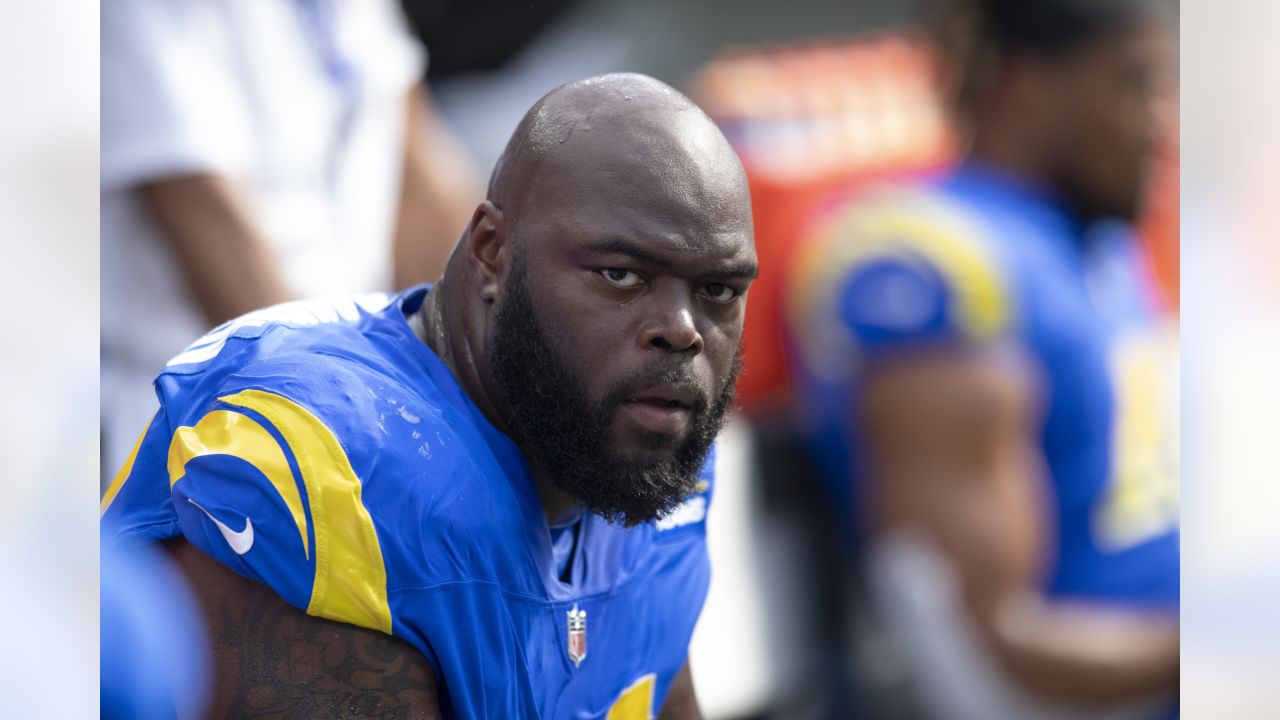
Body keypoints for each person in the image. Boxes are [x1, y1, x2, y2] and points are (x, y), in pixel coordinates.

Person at [101, 73, 757, 718]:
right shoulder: (340, 470)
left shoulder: (645, 445)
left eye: (719, 291)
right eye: (620, 274)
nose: (682, 333)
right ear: (491, 253)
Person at [783, 1, 1179, 718]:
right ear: (1026, 88)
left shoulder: (1100, 236)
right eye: (1135, 85)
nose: (1161, 124)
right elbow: (992, 655)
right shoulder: (933, 262)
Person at [100, 0, 481, 484]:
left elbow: (422, 190)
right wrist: (361, 436)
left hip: (361, 414)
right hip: (213, 445)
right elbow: (212, 224)